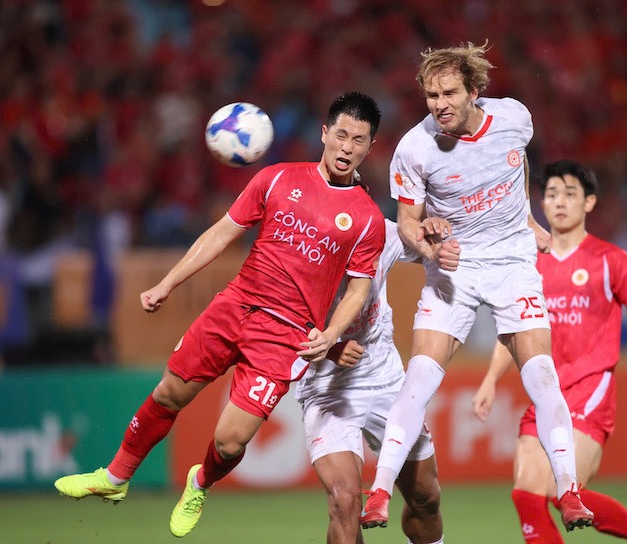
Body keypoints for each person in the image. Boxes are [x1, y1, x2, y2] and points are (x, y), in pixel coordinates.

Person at [54, 91, 387, 539]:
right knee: (170, 392)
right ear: (324, 133)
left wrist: (330, 334)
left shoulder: (366, 217)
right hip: (234, 306)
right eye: (341, 135)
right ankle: (115, 478)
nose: (347, 147)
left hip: (285, 336)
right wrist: (168, 283)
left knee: (231, 441)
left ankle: (200, 482)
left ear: (370, 147)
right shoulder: (276, 177)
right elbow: (221, 233)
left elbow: (359, 289)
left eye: (358, 140)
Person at [359, 42, 593, 532]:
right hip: (455, 266)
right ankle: (378, 492)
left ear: (474, 91)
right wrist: (429, 250)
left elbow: (516, 164)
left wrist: (528, 220)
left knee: (541, 375)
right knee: (419, 378)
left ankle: (569, 490)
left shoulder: (514, 118)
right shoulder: (415, 148)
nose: (439, 104)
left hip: (512, 264)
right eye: (431, 95)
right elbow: (407, 222)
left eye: (449, 93)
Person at [472, 160, 627, 544]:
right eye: (552, 194)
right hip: (546, 393)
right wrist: (489, 380)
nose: (560, 202)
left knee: (562, 490)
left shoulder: (611, 260)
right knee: (526, 495)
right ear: (541, 204)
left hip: (589, 391)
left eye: (570, 194)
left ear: (589, 203)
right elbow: (516, 331)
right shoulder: (528, 263)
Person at [296, 218, 444, 544]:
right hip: (327, 387)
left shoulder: (381, 231)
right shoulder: (297, 243)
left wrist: (438, 232)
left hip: (384, 377)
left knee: (426, 497)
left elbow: (434, 249)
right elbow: (272, 321)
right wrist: (329, 349)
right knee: (344, 502)